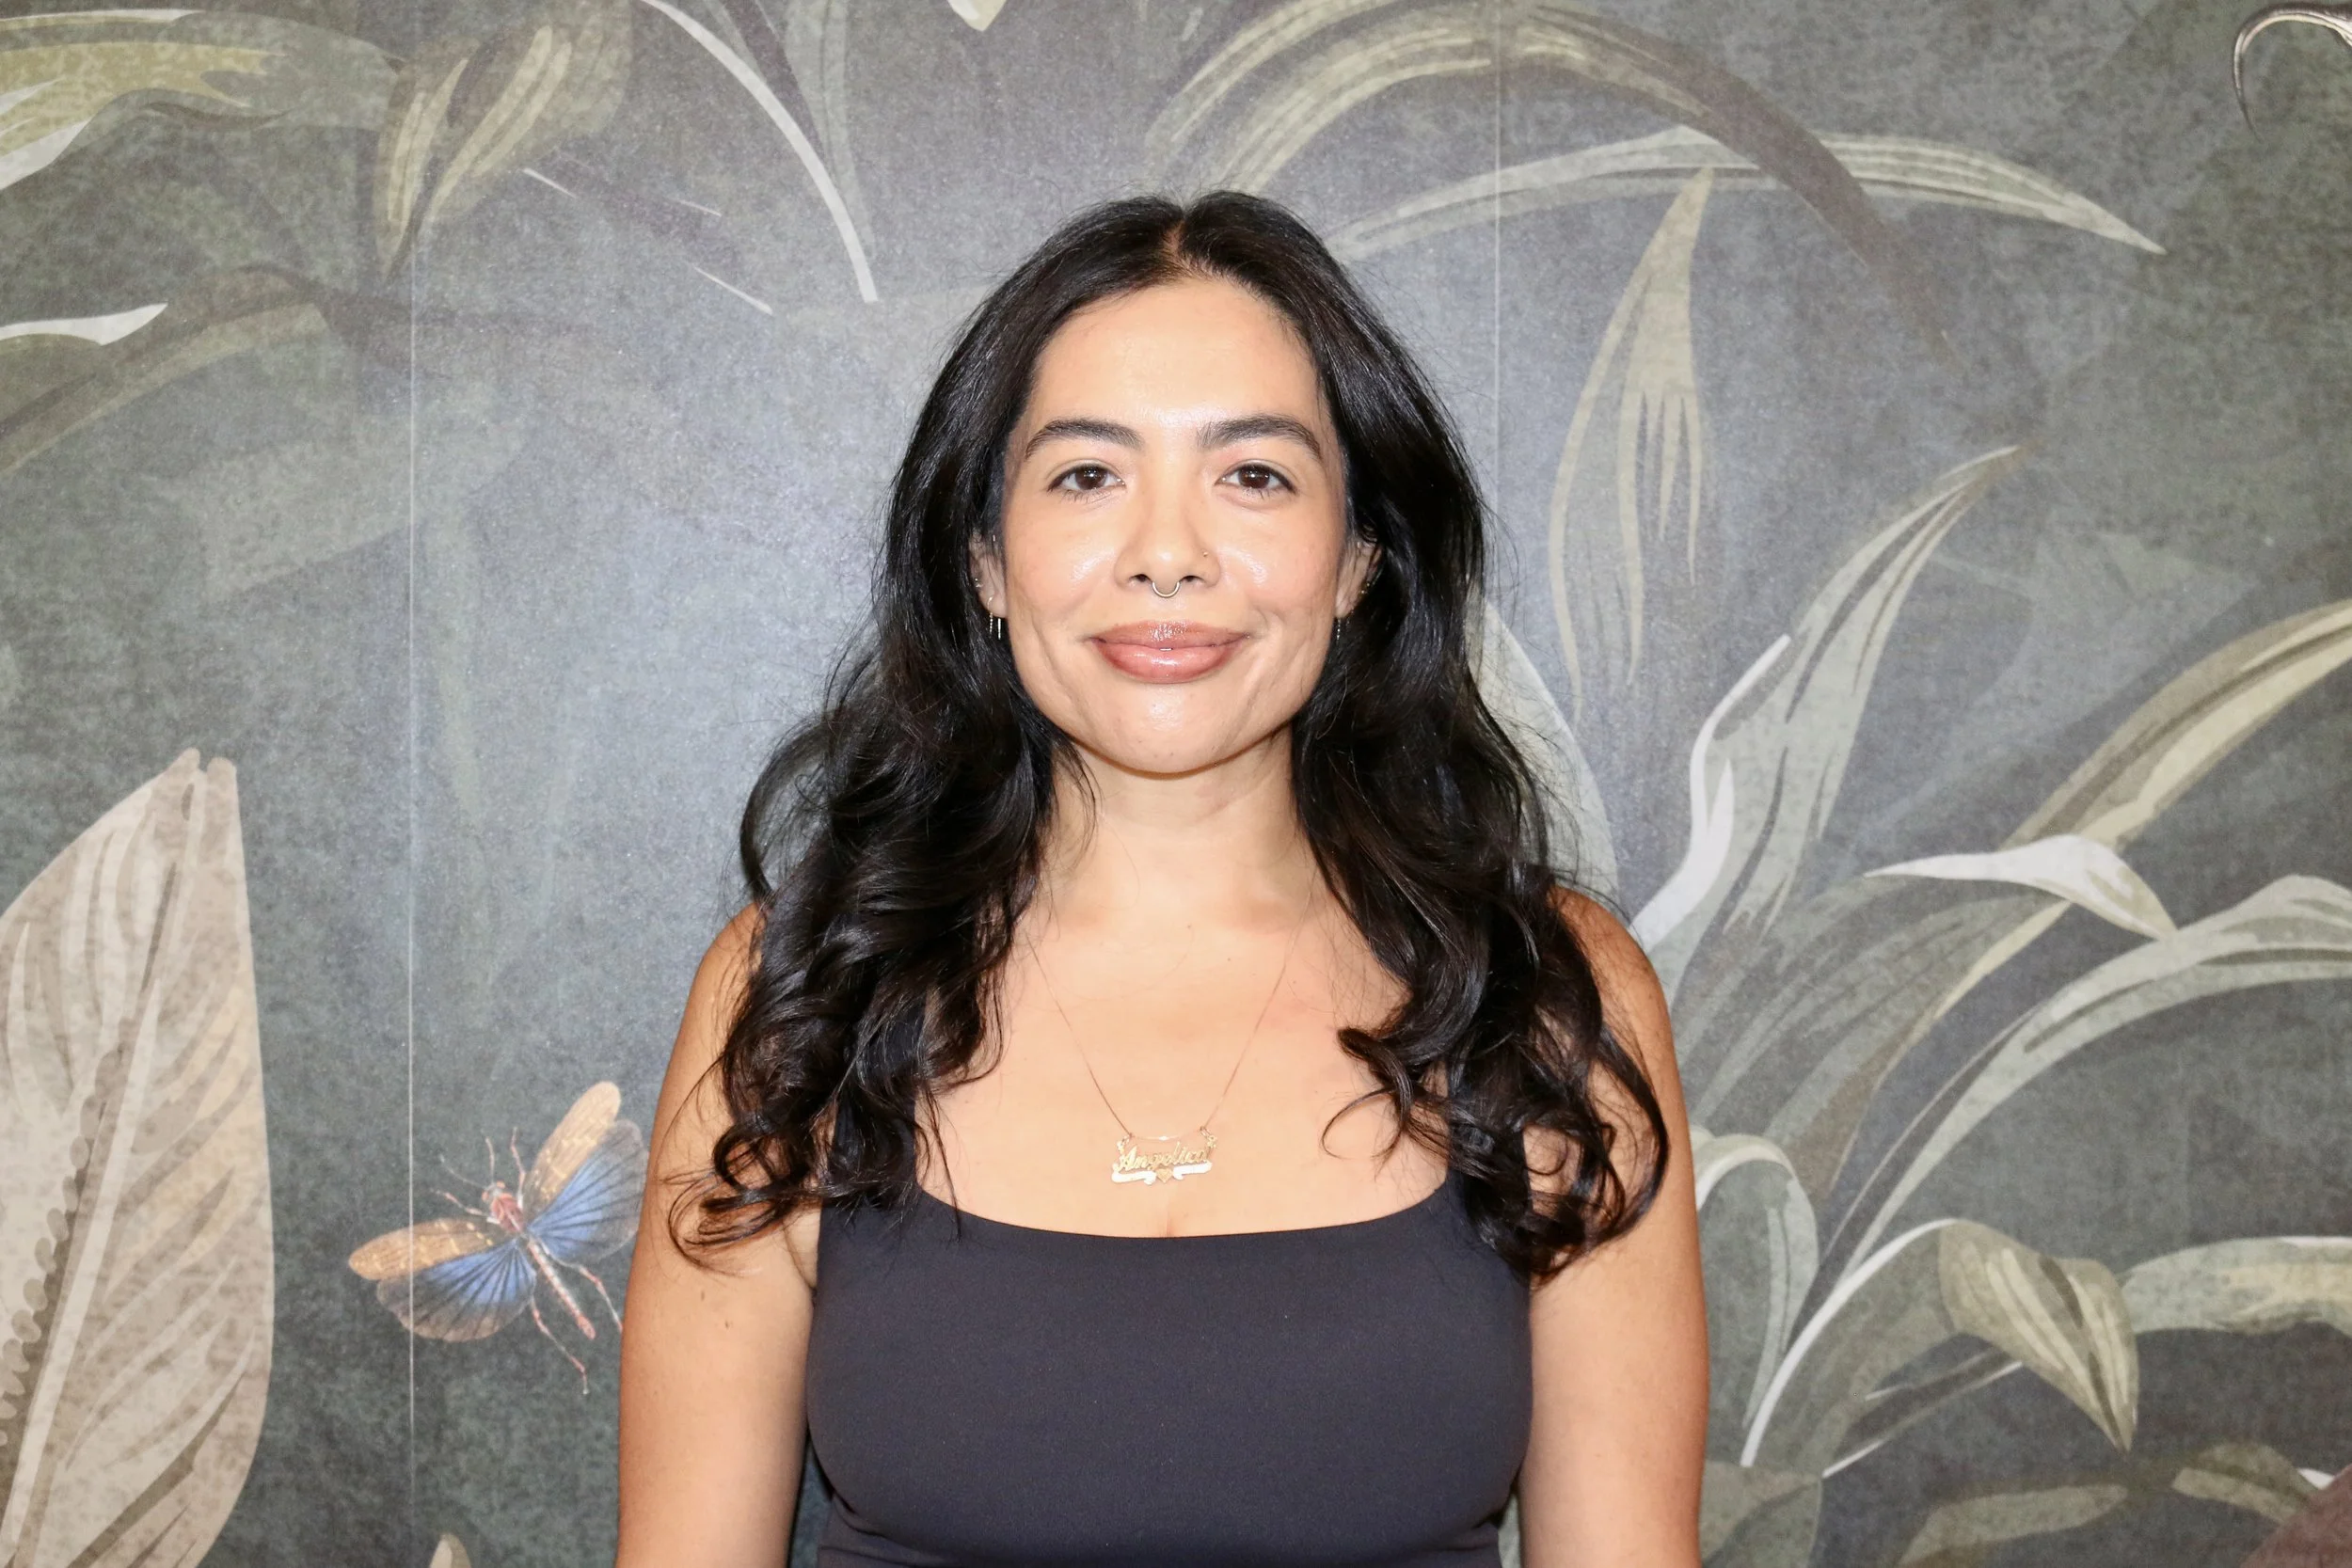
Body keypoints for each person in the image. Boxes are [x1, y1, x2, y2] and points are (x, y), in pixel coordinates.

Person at [614, 191, 1707, 1568]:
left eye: (1253, 475)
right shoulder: (800, 988)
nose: (1168, 551)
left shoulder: (1546, 997)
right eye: (1087, 475)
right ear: (984, 562)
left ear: (1361, 556)